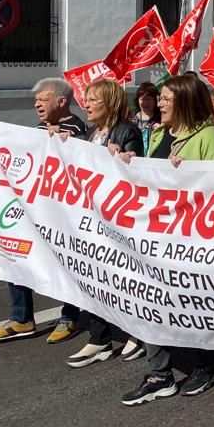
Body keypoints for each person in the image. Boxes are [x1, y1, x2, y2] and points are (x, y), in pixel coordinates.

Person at [121, 74, 214, 406]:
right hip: (156, 239)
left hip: (194, 240)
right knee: (150, 301)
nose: (161, 104)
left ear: (183, 101)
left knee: (196, 305)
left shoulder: (210, 137)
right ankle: (159, 375)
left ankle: (205, 364)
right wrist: (128, 164)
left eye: (167, 99)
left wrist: (189, 176)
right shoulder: (159, 134)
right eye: (161, 99)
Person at [0, 78, 86, 344]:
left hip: (61, 214)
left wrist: (58, 139)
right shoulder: (41, 128)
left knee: (65, 262)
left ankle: (70, 315)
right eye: (36, 100)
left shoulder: (76, 127)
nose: (37, 104)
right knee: (15, 253)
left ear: (61, 102)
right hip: (34, 210)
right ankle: (21, 319)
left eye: (43, 99)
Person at [66, 80, 145, 367]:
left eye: (92, 100)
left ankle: (137, 333)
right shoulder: (90, 134)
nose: (85, 104)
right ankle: (100, 339)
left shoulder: (126, 131)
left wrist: (124, 160)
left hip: (117, 223)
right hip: (90, 221)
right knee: (94, 280)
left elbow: (139, 173)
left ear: (109, 103)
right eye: (85, 99)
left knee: (125, 280)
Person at [131, 81, 160, 154]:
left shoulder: (161, 119)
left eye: (148, 99)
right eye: (142, 99)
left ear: (155, 101)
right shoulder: (130, 117)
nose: (145, 103)